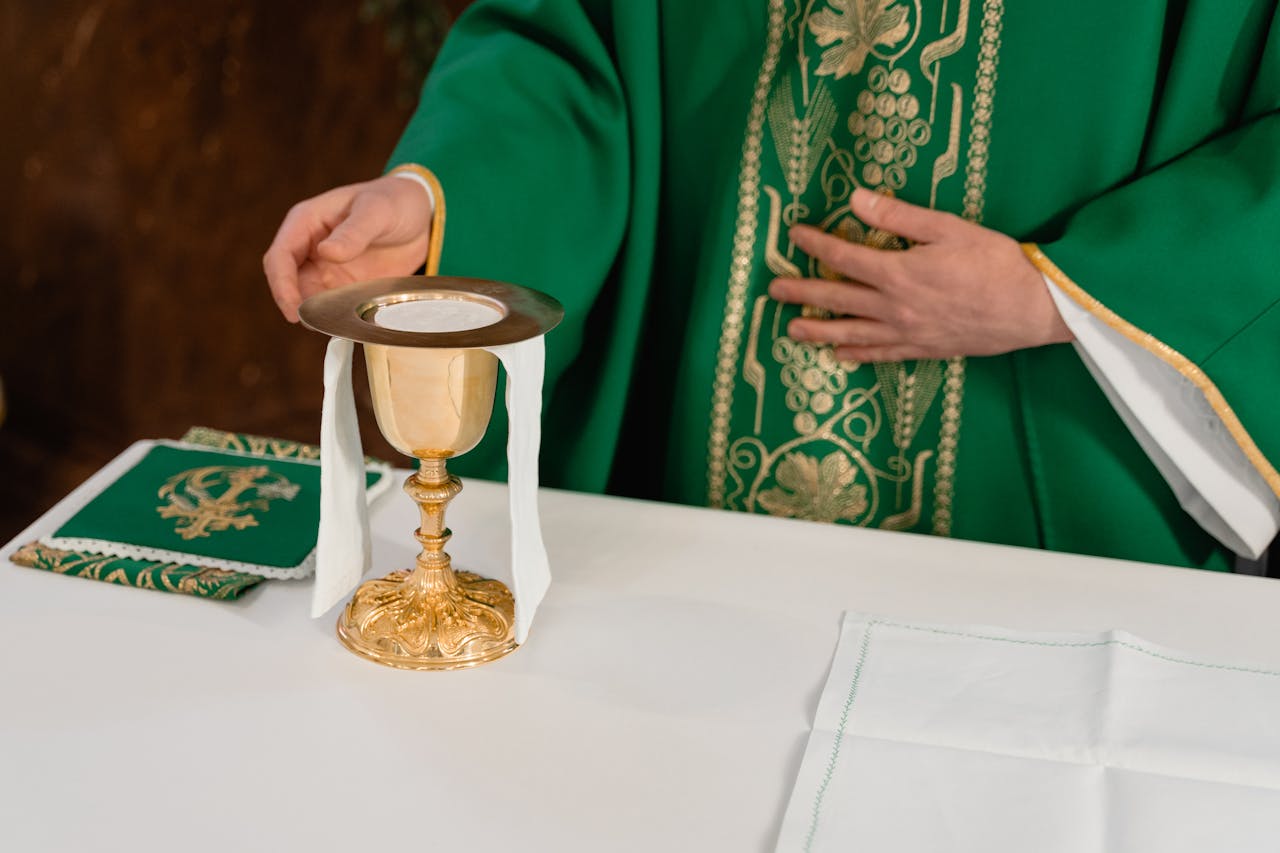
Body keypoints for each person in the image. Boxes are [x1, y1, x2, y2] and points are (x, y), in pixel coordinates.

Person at [265, 0, 1280, 571]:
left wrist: (1054, 293)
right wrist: (439, 200)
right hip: (682, 520)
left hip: (1041, 494)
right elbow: (573, 48)